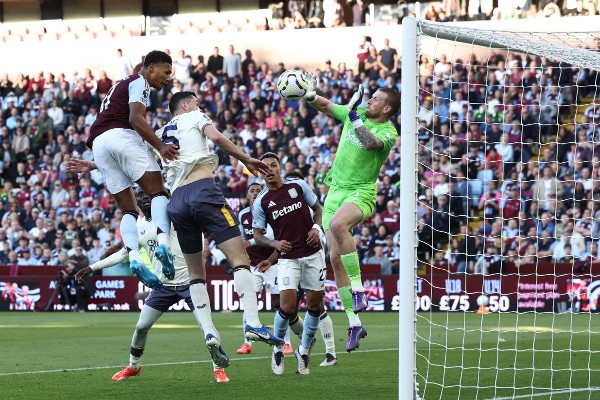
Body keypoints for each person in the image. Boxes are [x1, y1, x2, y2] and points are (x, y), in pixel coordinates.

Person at [154, 91, 282, 346]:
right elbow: (217, 137)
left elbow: (135, 164)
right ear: (185, 104)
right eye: (196, 102)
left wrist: (94, 166)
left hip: (176, 202)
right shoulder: (194, 116)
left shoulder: (157, 135)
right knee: (239, 258)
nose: (199, 106)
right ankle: (253, 324)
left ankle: (210, 332)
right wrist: (246, 159)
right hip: (203, 191)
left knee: (195, 273)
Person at [75, 187, 230, 383]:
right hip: (162, 286)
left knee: (206, 327)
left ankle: (219, 369)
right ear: (137, 203)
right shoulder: (138, 226)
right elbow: (125, 253)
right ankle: (133, 366)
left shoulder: (174, 216)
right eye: (140, 196)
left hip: (189, 282)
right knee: (141, 327)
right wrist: (92, 267)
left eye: (150, 194)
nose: (145, 197)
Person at [302, 72, 399, 351]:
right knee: (334, 258)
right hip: (335, 191)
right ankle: (354, 323)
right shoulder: (354, 112)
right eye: (370, 97)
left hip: (361, 191)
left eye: (376, 99)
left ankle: (359, 290)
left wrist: (354, 116)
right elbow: (325, 105)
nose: (369, 101)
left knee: (337, 225)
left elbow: (370, 143)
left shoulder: (388, 131)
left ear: (387, 109)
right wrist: (309, 94)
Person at [85, 50, 179, 290]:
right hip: (121, 135)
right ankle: (163, 245)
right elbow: (136, 119)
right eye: (166, 71)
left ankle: (135, 258)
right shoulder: (139, 82)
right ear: (150, 67)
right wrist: (160, 147)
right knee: (158, 192)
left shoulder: (120, 85)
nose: (168, 78)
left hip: (99, 144)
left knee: (128, 209)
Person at [251, 152, 325, 375]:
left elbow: (319, 210)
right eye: (265, 167)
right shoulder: (261, 202)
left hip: (313, 254)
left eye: (274, 165)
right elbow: (257, 235)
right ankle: (278, 347)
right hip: (287, 259)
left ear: (280, 168)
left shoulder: (299, 186)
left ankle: (303, 351)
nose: (270, 169)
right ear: (260, 172)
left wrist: (316, 228)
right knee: (287, 307)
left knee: (314, 306)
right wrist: (274, 242)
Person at [235, 182, 294, 356]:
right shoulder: (243, 214)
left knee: (279, 303)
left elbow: (270, 236)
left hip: (272, 262)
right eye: (251, 191)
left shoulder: (269, 211)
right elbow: (241, 236)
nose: (254, 193)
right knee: (249, 302)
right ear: (246, 196)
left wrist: (250, 242)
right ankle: (247, 342)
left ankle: (286, 342)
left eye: (258, 191)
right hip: (253, 264)